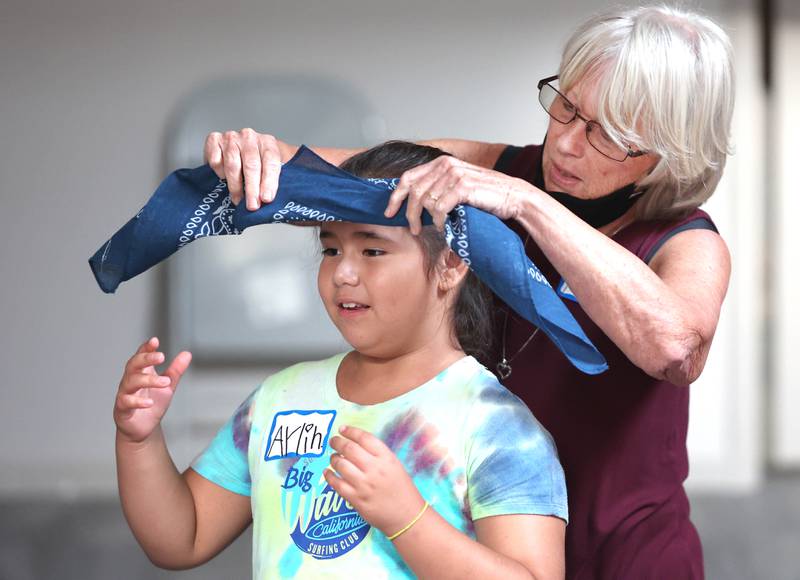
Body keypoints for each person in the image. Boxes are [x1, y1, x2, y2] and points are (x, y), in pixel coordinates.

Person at [201, 5, 734, 578]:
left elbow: (675, 350)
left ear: (669, 152)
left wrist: (528, 204)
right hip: (481, 541)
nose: (566, 144)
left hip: (627, 556)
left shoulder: (686, 241)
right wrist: (252, 157)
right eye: (567, 107)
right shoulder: (494, 168)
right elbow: (337, 181)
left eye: (607, 135)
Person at [114, 141, 568, 579]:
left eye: (372, 250)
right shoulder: (279, 399)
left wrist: (407, 517)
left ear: (451, 263)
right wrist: (139, 442)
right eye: (332, 249)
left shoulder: (497, 425)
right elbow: (182, 537)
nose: (343, 273)